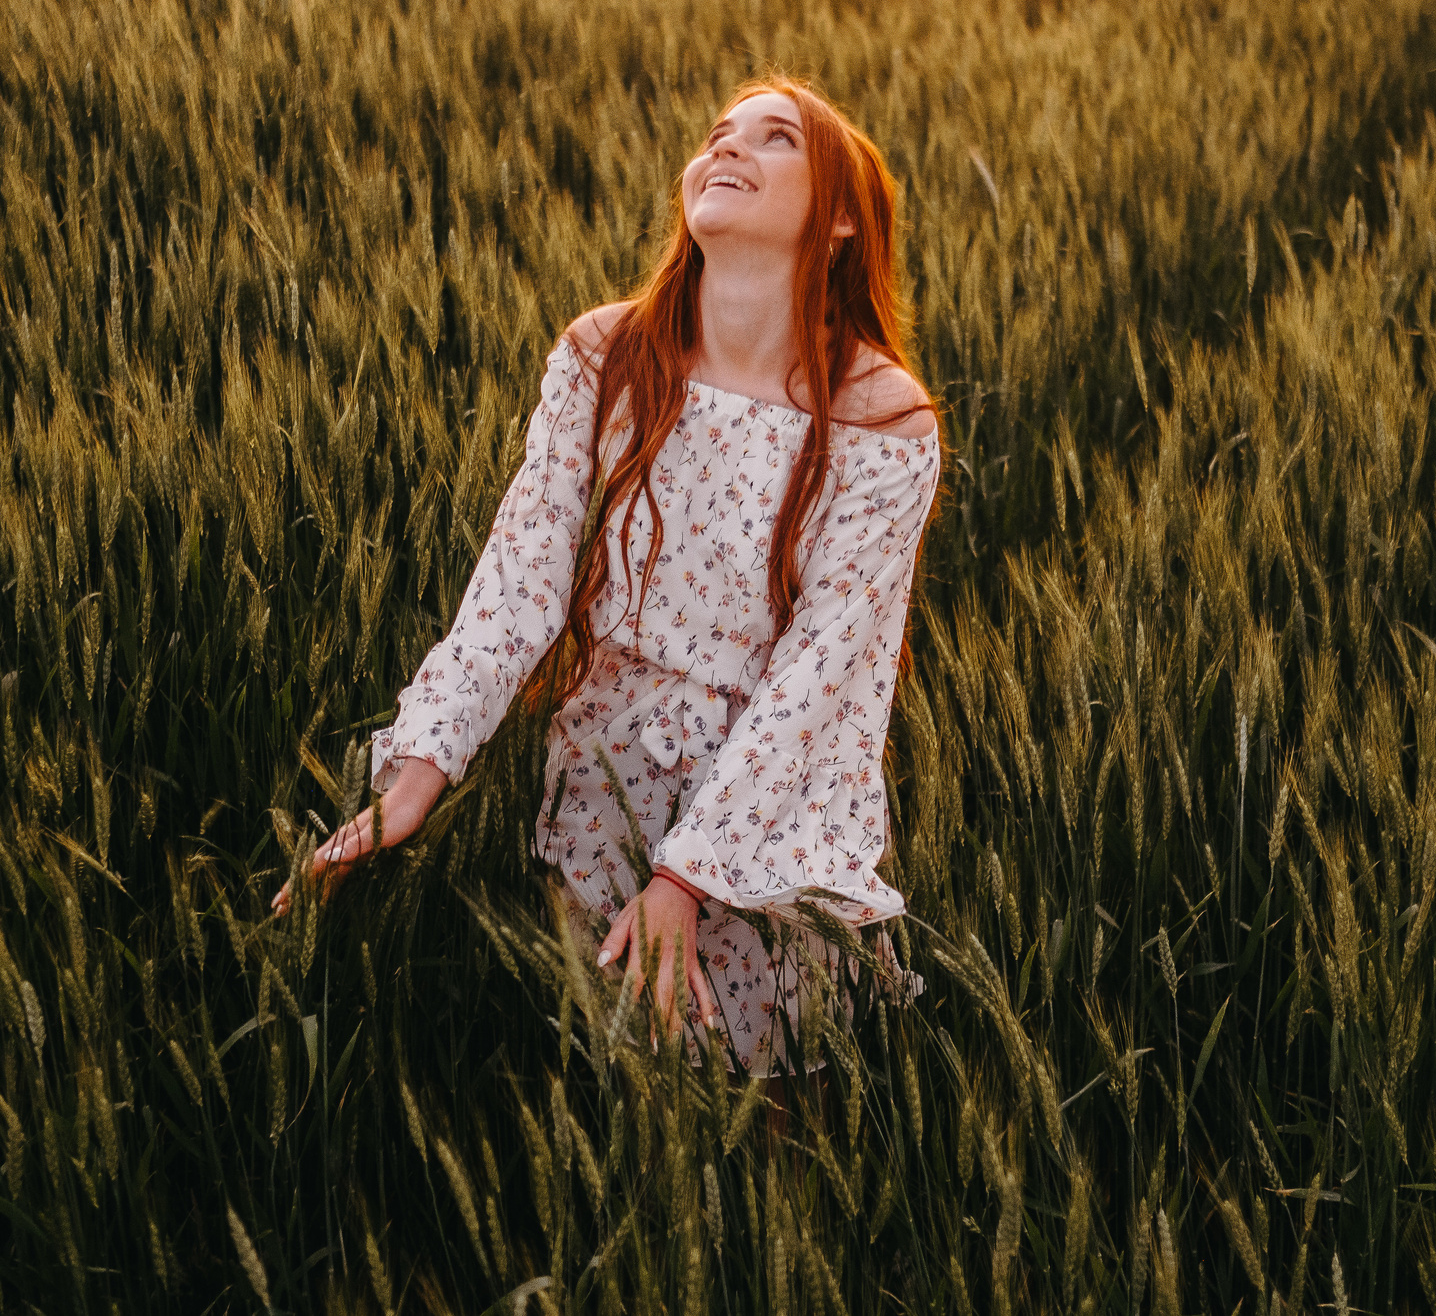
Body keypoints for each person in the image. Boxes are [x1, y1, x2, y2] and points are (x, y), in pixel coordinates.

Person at [270, 75, 941, 1075]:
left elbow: (821, 670)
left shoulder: (882, 418)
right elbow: (518, 583)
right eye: (718, 134)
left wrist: (689, 875)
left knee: (775, 1103)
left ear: (842, 218)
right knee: (630, 1080)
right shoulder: (607, 354)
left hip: (775, 806)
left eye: (775, 138)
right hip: (608, 775)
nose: (727, 147)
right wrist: (416, 776)